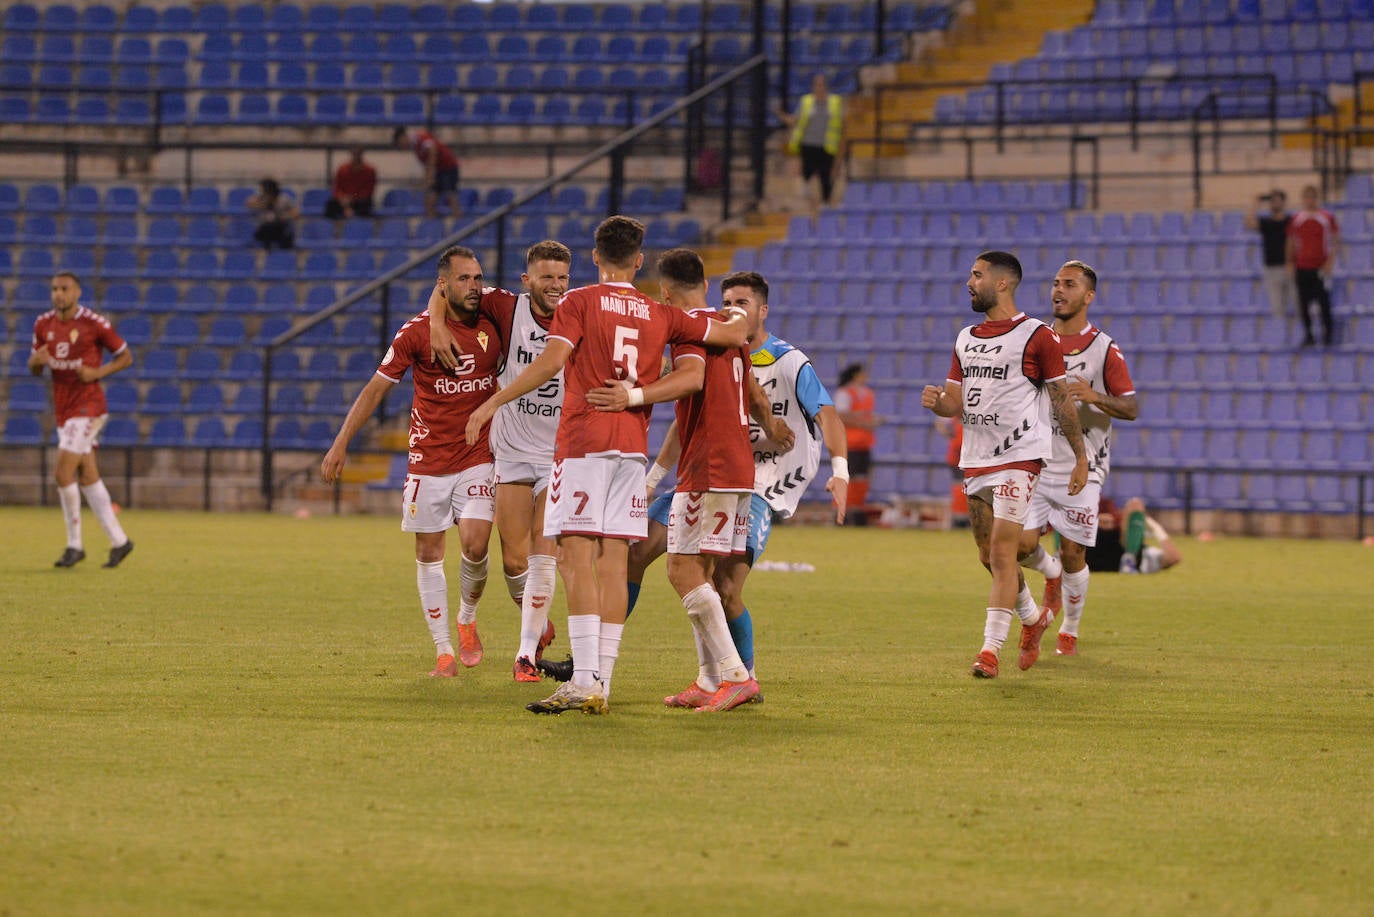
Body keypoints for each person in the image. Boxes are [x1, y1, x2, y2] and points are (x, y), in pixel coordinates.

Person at [459, 216, 750, 715]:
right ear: (639, 260)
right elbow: (730, 330)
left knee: (575, 559)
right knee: (614, 562)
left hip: (583, 442)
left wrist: (491, 403)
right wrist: (737, 316)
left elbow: (552, 362)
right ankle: (602, 682)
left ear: (594, 256)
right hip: (631, 449)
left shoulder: (579, 302)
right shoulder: (659, 312)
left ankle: (585, 680)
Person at [592, 269, 845, 695]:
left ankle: (739, 677)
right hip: (703, 470)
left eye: (742, 302)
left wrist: (839, 471)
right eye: (727, 300)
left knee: (720, 583)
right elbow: (687, 419)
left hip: (755, 482)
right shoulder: (718, 339)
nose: (732, 308)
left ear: (763, 310)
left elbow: (827, 415)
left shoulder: (787, 360)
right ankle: (597, 660)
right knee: (639, 554)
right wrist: (654, 478)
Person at [321, 246, 501, 678]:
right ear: (443, 285)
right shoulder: (415, 334)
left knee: (476, 545)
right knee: (428, 552)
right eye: (464, 279)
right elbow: (375, 390)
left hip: (478, 452)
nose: (474, 286)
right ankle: (443, 653)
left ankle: (467, 617)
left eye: (478, 278)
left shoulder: (495, 316)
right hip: (427, 459)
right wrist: (341, 442)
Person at [921, 251, 1088, 680]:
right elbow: (955, 403)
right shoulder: (965, 337)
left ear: (1002, 283)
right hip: (976, 458)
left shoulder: (1037, 337)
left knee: (1001, 551)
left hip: (1020, 457)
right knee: (987, 555)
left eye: (976, 275)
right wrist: (940, 403)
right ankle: (1032, 619)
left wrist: (1080, 458)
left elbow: (1061, 399)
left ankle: (989, 651)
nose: (968, 282)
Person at [427, 241, 571, 683]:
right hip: (509, 454)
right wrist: (435, 324)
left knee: (544, 556)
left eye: (563, 278)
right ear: (527, 282)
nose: (556, 286)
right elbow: (447, 290)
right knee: (514, 562)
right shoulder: (509, 309)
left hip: (556, 457)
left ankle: (524, 656)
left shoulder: (579, 313)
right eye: (546, 277)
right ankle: (520, 624)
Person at [1015, 261, 1138, 657]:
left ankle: (1069, 627)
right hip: (1037, 459)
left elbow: (1131, 408)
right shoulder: (1034, 339)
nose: (1058, 291)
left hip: (1083, 466)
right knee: (1019, 545)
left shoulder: (1104, 348)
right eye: (1054, 283)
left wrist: (1095, 396)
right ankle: (1048, 575)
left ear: (1088, 296)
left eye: (1069, 285)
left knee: (1073, 554)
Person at [28, 271, 135, 569]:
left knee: (63, 474)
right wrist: (35, 362)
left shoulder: (94, 324)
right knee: (87, 476)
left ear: (77, 292)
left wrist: (96, 374)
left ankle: (75, 545)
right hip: (64, 409)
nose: (58, 294)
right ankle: (120, 541)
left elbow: (126, 357)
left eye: (64, 288)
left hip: (88, 408)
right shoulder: (43, 324)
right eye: (54, 289)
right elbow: (35, 367)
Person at [777, 73, 843, 207]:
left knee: (825, 176)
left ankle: (826, 203)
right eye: (816, 84)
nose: (819, 87)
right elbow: (795, 120)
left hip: (827, 146)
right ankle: (807, 202)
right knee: (807, 172)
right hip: (808, 145)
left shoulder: (835, 102)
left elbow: (841, 126)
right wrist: (782, 116)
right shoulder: (806, 102)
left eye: (821, 84)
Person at [1287, 184, 1340, 347]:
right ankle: (1309, 335)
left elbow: (1335, 240)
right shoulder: (1297, 219)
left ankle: (1328, 334)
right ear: (1303, 199)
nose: (1309, 201)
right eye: (1306, 197)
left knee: (1324, 302)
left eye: (1312, 197)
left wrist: (1330, 262)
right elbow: (1290, 242)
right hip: (1302, 266)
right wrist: (1289, 262)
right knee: (1303, 303)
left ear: (1317, 198)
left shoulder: (1326, 217)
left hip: (1320, 267)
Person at [833, 362, 881, 525]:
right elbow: (840, 415)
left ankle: (857, 511)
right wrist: (862, 422)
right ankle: (842, 513)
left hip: (863, 444)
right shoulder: (845, 393)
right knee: (847, 479)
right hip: (848, 443)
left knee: (861, 480)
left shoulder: (868, 393)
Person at [1084, 496, 1181, 574]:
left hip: (1121, 550)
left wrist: (1155, 527)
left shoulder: (1141, 550)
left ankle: (1129, 559)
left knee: (1136, 503)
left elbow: (1174, 557)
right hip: (1086, 542)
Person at [1244, 189, 1295, 324]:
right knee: (1277, 308)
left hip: (1289, 267)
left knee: (1297, 303)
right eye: (1272, 201)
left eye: (1278, 200)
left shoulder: (1291, 221)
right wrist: (1255, 203)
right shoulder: (1266, 222)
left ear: (1283, 202)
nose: (1275, 204)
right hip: (1271, 269)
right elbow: (1248, 223)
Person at [393, 125, 460, 219]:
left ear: (403, 137)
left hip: (447, 168)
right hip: (437, 171)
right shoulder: (414, 147)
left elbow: (433, 149)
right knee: (429, 200)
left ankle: (458, 223)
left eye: (400, 143)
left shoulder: (418, 138)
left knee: (451, 197)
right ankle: (433, 227)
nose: (401, 146)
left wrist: (431, 174)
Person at [324, 146, 377, 220]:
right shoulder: (342, 169)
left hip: (359, 200)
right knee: (330, 205)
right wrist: (342, 199)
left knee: (365, 205)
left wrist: (352, 198)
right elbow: (337, 188)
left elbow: (368, 191)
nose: (356, 157)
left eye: (358, 154)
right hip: (343, 200)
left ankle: (362, 227)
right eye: (354, 154)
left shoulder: (369, 170)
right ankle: (332, 228)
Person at [246, 178, 298, 250]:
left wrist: (284, 216)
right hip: (265, 229)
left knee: (285, 233)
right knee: (265, 229)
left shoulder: (283, 199)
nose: (262, 192)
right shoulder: (260, 198)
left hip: (280, 228)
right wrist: (262, 204)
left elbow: (295, 213)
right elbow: (249, 203)